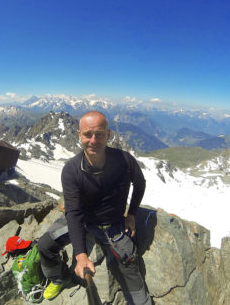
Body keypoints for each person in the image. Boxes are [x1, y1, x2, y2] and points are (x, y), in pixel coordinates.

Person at [38, 111, 151, 304]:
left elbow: (140, 184)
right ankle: (59, 277)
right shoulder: (72, 170)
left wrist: (131, 214)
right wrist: (81, 255)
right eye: (87, 134)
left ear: (108, 135)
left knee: (131, 276)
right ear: (79, 135)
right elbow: (72, 212)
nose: (93, 140)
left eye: (99, 134)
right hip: (83, 221)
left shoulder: (124, 161)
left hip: (114, 226)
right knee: (45, 246)